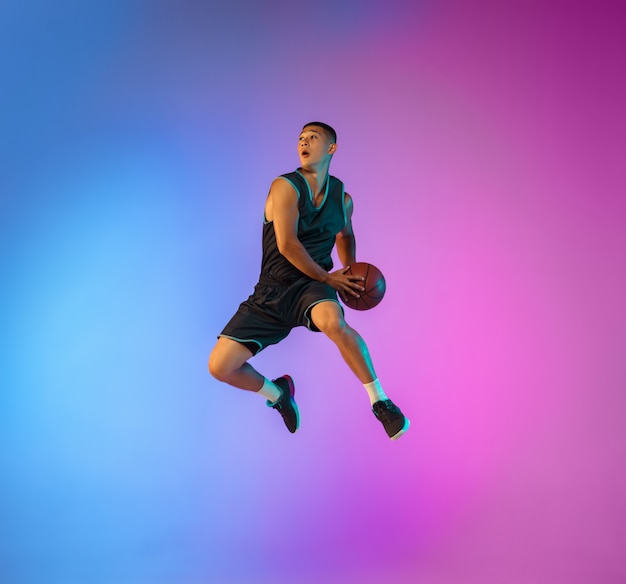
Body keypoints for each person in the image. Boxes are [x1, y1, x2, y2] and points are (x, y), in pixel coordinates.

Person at [208, 122, 409, 440]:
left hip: (312, 286)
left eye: (313, 138)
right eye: (301, 138)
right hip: (273, 287)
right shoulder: (285, 187)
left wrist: (351, 272)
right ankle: (278, 395)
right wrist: (330, 276)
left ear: (331, 148)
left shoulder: (343, 200)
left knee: (332, 322)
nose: (304, 142)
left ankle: (381, 402)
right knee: (220, 366)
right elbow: (287, 245)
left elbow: (345, 233)